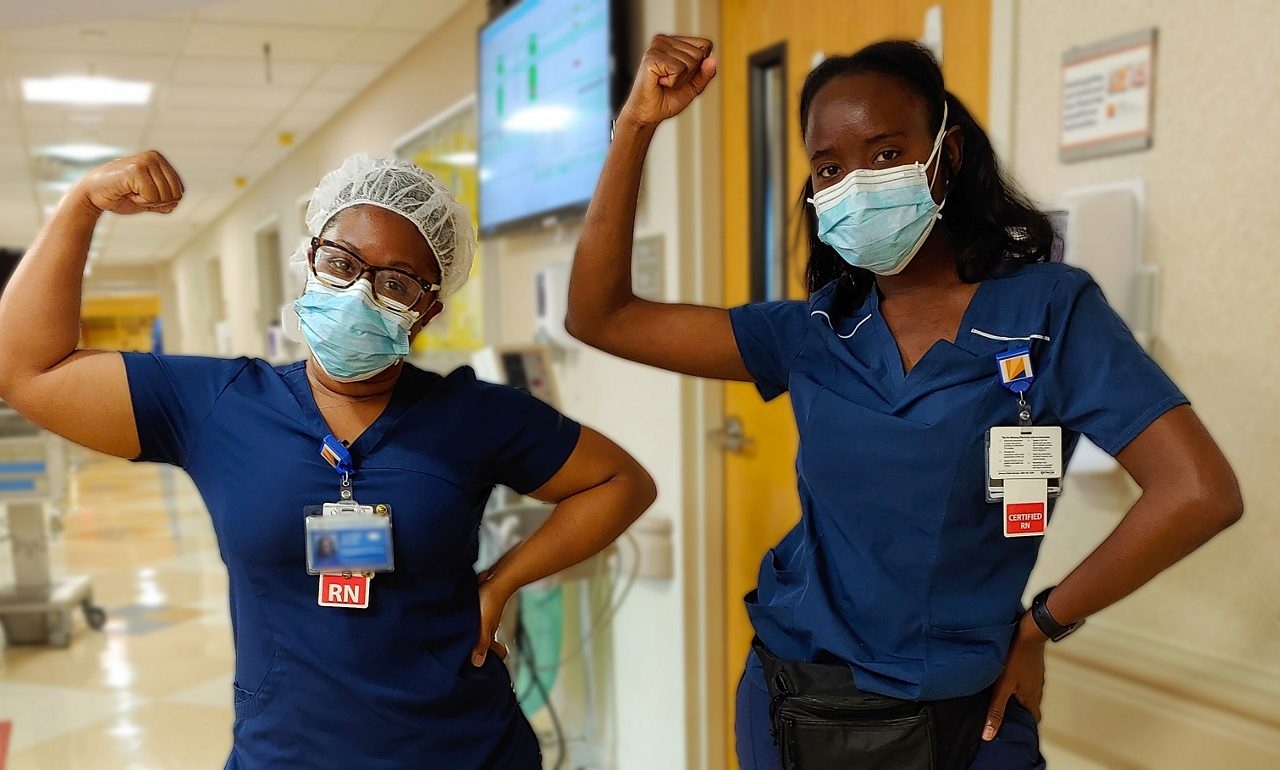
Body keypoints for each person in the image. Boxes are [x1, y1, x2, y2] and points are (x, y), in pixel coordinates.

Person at [566, 35, 1242, 769]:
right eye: (830, 167)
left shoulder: (1048, 311)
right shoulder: (814, 330)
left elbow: (1198, 491)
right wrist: (635, 126)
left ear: (945, 157)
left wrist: (1044, 624)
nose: (857, 181)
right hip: (804, 699)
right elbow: (600, 316)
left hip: (973, 710)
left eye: (886, 153)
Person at [0, 151, 657, 769]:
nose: (359, 294)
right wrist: (81, 203)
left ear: (426, 310)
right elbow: (25, 369)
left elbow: (620, 482)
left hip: (464, 748)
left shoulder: (473, 415)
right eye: (342, 263)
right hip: (290, 751)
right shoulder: (220, 404)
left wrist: (503, 580)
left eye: (395, 282)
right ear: (310, 260)